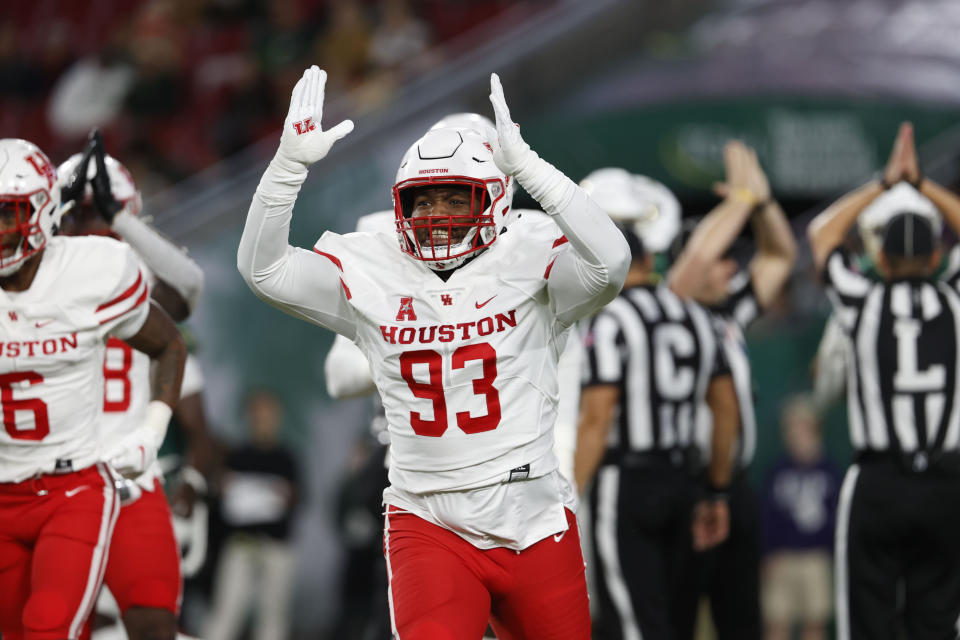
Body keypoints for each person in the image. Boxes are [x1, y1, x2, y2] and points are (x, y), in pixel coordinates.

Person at [238, 65, 630, 638]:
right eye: (422, 201)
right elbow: (263, 269)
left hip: (533, 514)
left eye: (454, 198)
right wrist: (287, 167)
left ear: (497, 199)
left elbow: (612, 262)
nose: (434, 215)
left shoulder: (530, 249)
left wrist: (533, 170)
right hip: (429, 518)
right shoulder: (376, 264)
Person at [0, 138, 186, 639]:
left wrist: (152, 432)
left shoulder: (94, 270)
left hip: (82, 479)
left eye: (6, 214)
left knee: (64, 624)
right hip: (7, 485)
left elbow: (177, 321)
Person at [807, 121, 960, 640]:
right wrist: (923, 186)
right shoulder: (953, 302)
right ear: (938, 257)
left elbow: (822, 234)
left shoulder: (862, 301)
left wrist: (885, 181)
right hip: (947, 482)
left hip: (879, 483)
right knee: (938, 621)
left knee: (868, 622)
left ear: (881, 258)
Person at [573, 170, 740, 640]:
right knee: (676, 622)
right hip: (685, 478)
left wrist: (570, 497)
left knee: (632, 624)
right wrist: (717, 489)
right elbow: (727, 411)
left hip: (625, 482)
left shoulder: (612, 320)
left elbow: (597, 417)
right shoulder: (695, 316)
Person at [57, 130, 205, 640]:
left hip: (127, 477)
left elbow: (188, 288)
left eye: (102, 213)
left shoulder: (133, 276)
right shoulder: (34, 280)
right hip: (53, 479)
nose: (92, 226)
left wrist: (118, 221)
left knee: (153, 623)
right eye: (83, 214)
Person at [669, 140, 797, 640]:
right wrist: (741, 199)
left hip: (736, 486)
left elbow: (780, 256)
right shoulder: (670, 316)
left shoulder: (727, 314)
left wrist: (762, 203)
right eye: (721, 258)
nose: (729, 268)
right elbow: (691, 268)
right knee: (676, 620)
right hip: (689, 488)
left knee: (742, 622)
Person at [204, 388, 300, 640]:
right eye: (258, 413)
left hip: (276, 546)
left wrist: (286, 495)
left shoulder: (286, 458)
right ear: (249, 416)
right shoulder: (237, 456)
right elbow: (222, 501)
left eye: (269, 413)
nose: (263, 418)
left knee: (273, 618)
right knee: (226, 612)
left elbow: (297, 499)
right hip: (240, 545)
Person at [761, 395, 840, 640]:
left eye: (802, 427)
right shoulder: (778, 471)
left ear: (815, 429)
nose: (796, 434)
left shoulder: (830, 472)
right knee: (776, 622)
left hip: (816, 558)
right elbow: (767, 516)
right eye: (791, 427)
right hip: (781, 559)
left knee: (814, 624)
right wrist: (767, 554)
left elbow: (836, 519)